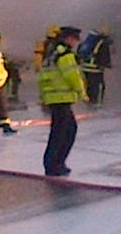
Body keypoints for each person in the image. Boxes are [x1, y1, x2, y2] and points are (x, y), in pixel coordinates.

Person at [39, 24, 89, 176]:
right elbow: (72, 76)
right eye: (74, 39)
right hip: (61, 98)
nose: (75, 43)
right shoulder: (65, 54)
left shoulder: (52, 52)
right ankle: (55, 165)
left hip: (54, 97)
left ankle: (55, 163)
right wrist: (82, 93)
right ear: (69, 38)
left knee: (61, 131)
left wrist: (44, 96)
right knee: (64, 132)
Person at [79, 28, 114, 105]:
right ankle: (96, 103)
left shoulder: (88, 41)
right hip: (95, 69)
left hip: (85, 68)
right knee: (98, 86)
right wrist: (106, 65)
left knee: (89, 86)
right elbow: (104, 55)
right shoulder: (102, 43)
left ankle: (89, 102)